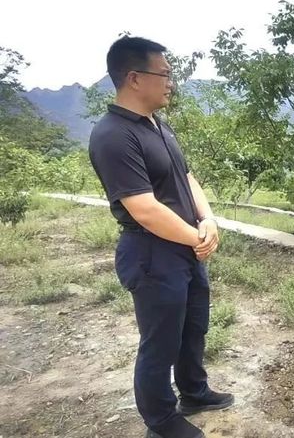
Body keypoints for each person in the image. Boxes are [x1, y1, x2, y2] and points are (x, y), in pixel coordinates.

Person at [88, 36, 233, 438]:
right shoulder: (114, 135)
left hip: (185, 247)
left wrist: (208, 220)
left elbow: (186, 177)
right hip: (152, 253)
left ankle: (194, 391)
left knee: (193, 327)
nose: (172, 82)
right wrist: (196, 237)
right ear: (134, 77)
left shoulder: (158, 125)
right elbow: (144, 208)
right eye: (165, 74)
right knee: (160, 341)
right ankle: (161, 421)